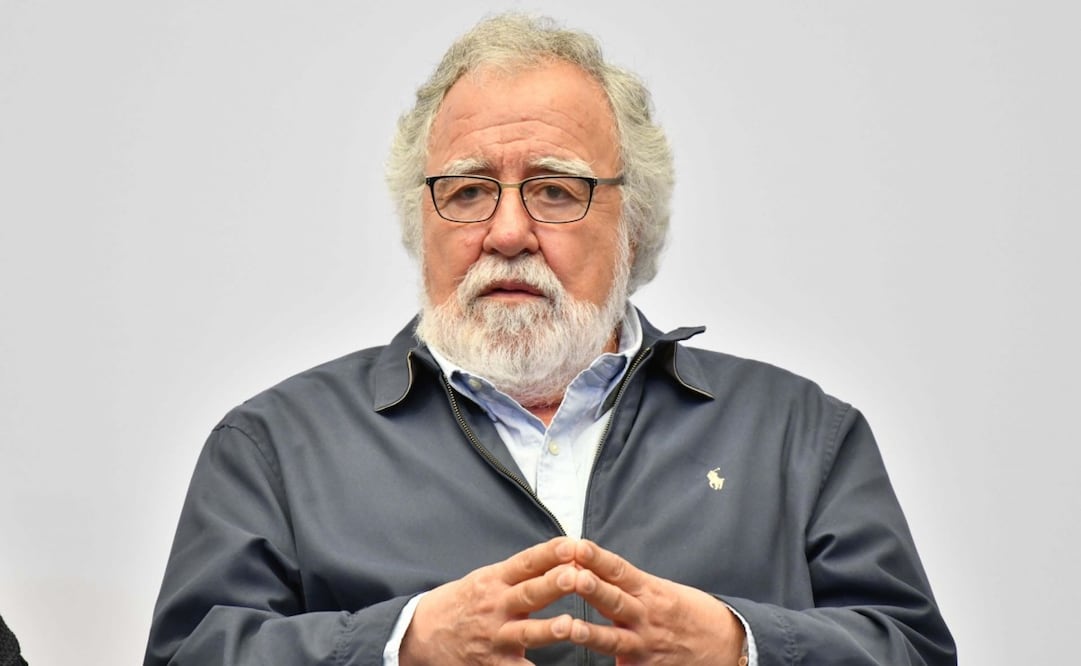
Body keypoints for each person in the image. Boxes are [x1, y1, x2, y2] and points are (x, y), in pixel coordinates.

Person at [144, 13, 955, 666]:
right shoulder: (276, 448)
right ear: (417, 222)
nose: (506, 232)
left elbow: (913, 652)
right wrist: (401, 646)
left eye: (555, 190)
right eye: (465, 191)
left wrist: (741, 649)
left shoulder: (796, 434)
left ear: (632, 222)